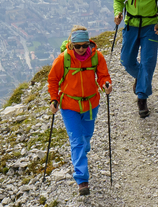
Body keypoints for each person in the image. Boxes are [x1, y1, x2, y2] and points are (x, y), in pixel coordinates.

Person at [47, 26, 113, 196]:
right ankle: (82, 180)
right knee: (76, 141)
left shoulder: (96, 57)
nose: (82, 49)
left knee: (86, 136)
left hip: (91, 105)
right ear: (71, 45)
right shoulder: (63, 60)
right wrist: (54, 99)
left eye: (84, 45)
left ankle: (83, 150)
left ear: (89, 43)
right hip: (69, 106)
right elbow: (53, 80)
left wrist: (106, 84)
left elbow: (103, 76)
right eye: (78, 46)